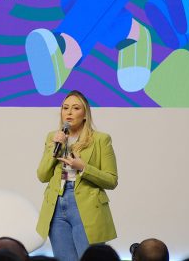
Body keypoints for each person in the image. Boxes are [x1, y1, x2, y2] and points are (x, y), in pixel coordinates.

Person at [36, 90, 118, 261]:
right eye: (65, 108)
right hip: (57, 203)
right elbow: (43, 175)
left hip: (86, 204)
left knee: (88, 257)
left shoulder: (101, 139)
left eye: (75, 108)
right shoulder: (53, 137)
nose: (69, 112)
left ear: (85, 114)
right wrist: (54, 147)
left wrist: (83, 168)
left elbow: (111, 180)